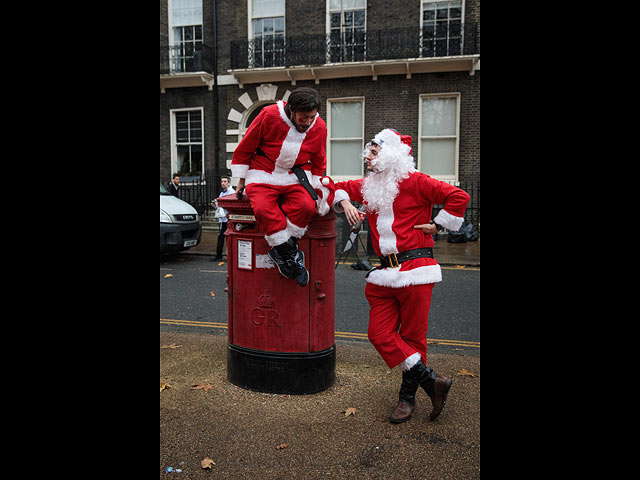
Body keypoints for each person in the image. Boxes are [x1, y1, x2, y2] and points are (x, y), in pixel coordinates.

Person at [332, 128, 470, 424]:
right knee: (378, 334)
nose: (367, 158)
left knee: (413, 337)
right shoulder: (370, 187)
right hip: (384, 273)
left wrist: (438, 223)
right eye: (368, 152)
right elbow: (336, 186)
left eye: (374, 152)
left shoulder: (417, 181)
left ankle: (407, 399)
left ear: (392, 154)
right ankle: (432, 382)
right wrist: (344, 203)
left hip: (416, 269)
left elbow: (458, 196)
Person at [231, 87, 328, 287]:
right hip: (263, 172)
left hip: (296, 175)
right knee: (263, 208)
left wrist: (319, 187)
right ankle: (291, 255)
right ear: (291, 109)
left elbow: (319, 159)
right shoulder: (269, 115)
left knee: (307, 206)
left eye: (312, 116)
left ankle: (281, 251)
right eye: (303, 117)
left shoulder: (319, 127)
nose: (308, 122)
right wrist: (241, 179)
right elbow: (247, 145)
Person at [211, 176, 235, 261]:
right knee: (221, 236)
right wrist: (215, 205)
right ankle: (218, 255)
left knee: (229, 237)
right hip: (222, 219)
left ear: (229, 183)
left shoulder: (232, 192)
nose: (223, 183)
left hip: (228, 219)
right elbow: (219, 206)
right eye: (222, 181)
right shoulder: (222, 194)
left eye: (225, 181)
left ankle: (231, 256)